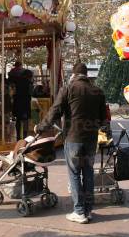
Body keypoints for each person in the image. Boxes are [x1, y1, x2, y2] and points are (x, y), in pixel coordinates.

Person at [35, 62, 106, 224]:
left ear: (74, 74)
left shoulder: (68, 88)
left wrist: (41, 128)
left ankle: (79, 211)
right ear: (86, 75)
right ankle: (88, 211)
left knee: (74, 174)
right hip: (91, 139)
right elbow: (104, 118)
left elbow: (55, 110)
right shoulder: (98, 91)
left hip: (73, 138)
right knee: (88, 172)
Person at [8, 61, 33, 141]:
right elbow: (31, 93)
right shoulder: (29, 83)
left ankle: (18, 136)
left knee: (18, 119)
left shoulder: (17, 80)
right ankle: (25, 136)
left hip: (17, 101)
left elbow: (10, 79)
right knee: (25, 120)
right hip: (25, 102)